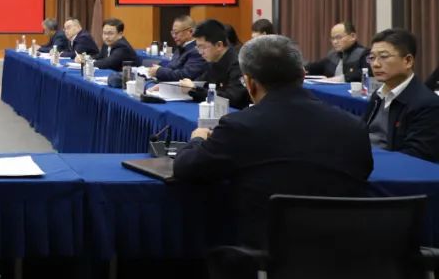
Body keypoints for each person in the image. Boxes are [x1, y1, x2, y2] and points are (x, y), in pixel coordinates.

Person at [173, 35, 373, 248]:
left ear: (250, 83)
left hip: (266, 252)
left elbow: (187, 168)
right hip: (342, 251)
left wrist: (197, 139)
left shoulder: (240, 126)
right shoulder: (353, 126)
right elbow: (363, 171)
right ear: (303, 75)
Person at [363, 29, 439, 162]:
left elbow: (414, 157)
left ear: (408, 61)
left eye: (384, 56)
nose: (375, 64)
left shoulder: (428, 104)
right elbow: (363, 132)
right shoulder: (378, 95)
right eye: (372, 57)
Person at [180, 19, 249, 109]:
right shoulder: (213, 61)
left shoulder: (238, 63)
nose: (200, 52)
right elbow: (201, 83)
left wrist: (195, 90)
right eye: (198, 48)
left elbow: (232, 98)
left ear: (219, 45)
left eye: (203, 47)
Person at [150, 15, 206, 82]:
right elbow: (171, 67)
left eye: (176, 33)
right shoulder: (180, 47)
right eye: (172, 33)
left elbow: (186, 75)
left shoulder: (197, 51)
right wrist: (157, 68)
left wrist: (159, 71)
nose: (174, 36)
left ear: (190, 31)